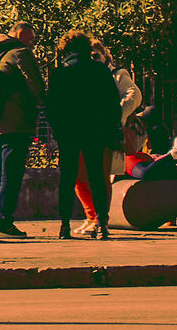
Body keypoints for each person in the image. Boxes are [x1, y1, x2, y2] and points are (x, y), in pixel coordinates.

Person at [46, 30, 122, 241]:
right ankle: (102, 224)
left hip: (69, 132)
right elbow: (112, 104)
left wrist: (58, 130)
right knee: (97, 177)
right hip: (95, 131)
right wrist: (109, 128)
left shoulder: (60, 73)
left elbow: (51, 107)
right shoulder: (100, 70)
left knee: (67, 178)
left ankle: (64, 226)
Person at [0, 20, 44, 240]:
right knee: (11, 174)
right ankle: (4, 224)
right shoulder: (20, 53)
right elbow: (35, 85)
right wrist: (41, 102)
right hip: (14, 121)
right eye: (31, 38)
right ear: (20, 34)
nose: (32, 43)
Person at [76, 38, 140, 229]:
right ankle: (91, 216)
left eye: (96, 55)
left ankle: (99, 219)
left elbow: (134, 94)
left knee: (100, 176)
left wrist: (117, 114)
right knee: (79, 176)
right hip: (83, 131)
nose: (93, 59)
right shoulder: (81, 74)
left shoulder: (117, 75)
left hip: (105, 132)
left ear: (105, 55)